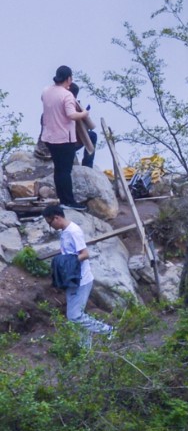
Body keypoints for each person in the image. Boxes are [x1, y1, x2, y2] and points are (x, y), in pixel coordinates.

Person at [43, 205, 114, 338]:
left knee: (74, 316)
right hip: (72, 279)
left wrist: (67, 263)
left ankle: (107, 330)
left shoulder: (73, 232)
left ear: (57, 218)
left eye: (49, 222)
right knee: (77, 315)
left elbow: (85, 254)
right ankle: (85, 347)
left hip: (81, 279)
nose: (50, 226)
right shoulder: (65, 231)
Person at [39, 67, 92, 208]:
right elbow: (71, 114)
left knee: (58, 169)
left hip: (49, 136)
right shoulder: (67, 95)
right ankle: (69, 201)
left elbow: (45, 101)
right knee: (65, 171)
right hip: (64, 137)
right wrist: (84, 114)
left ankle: (63, 200)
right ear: (68, 78)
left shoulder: (46, 91)